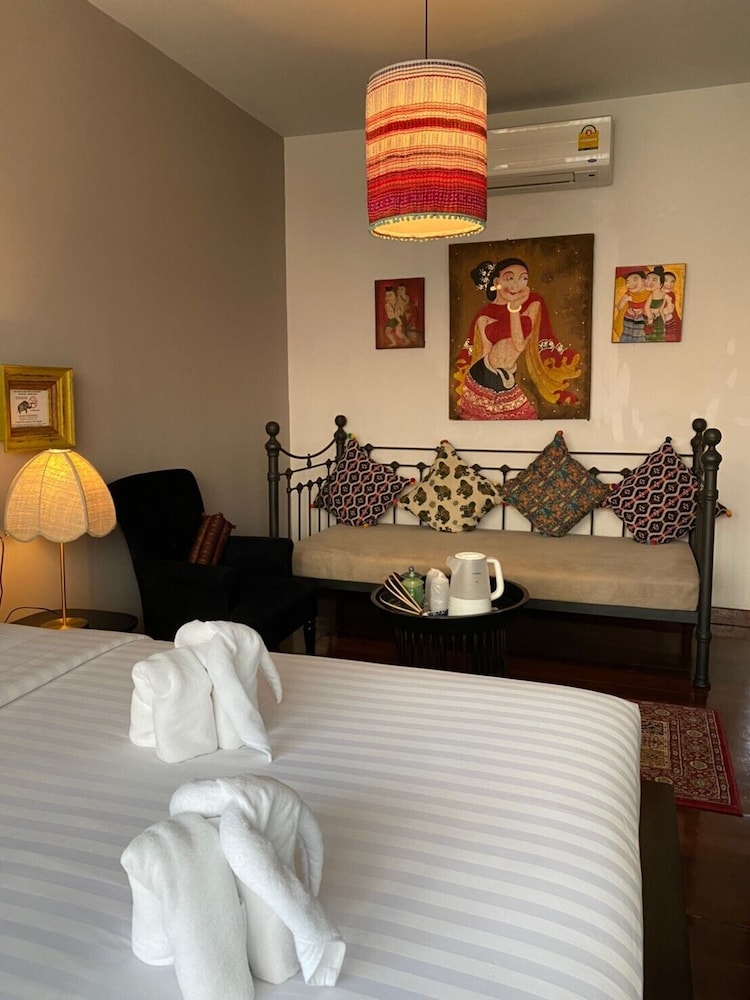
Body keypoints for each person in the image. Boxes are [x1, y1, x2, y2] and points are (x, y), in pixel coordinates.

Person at [454, 257, 582, 420]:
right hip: (483, 374)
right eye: (509, 278)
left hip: (507, 374)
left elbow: (519, 345)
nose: (516, 285)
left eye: (523, 278)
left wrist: (514, 309)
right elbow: (485, 350)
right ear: (496, 282)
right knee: (479, 422)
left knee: (524, 418)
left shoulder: (533, 304)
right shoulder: (483, 316)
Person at [614, 270, 650, 342]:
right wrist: (624, 300)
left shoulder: (648, 293)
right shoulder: (628, 293)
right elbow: (620, 307)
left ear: (643, 281)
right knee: (626, 335)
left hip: (642, 319)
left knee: (639, 336)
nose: (631, 284)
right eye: (628, 282)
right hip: (629, 317)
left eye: (635, 280)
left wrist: (643, 312)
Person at [643, 266, 673, 342]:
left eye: (654, 280)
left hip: (658, 318)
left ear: (660, 284)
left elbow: (661, 309)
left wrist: (663, 320)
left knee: (659, 337)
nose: (649, 282)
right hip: (649, 317)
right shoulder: (650, 295)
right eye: (648, 279)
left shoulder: (663, 294)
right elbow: (646, 307)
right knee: (649, 336)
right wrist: (650, 319)